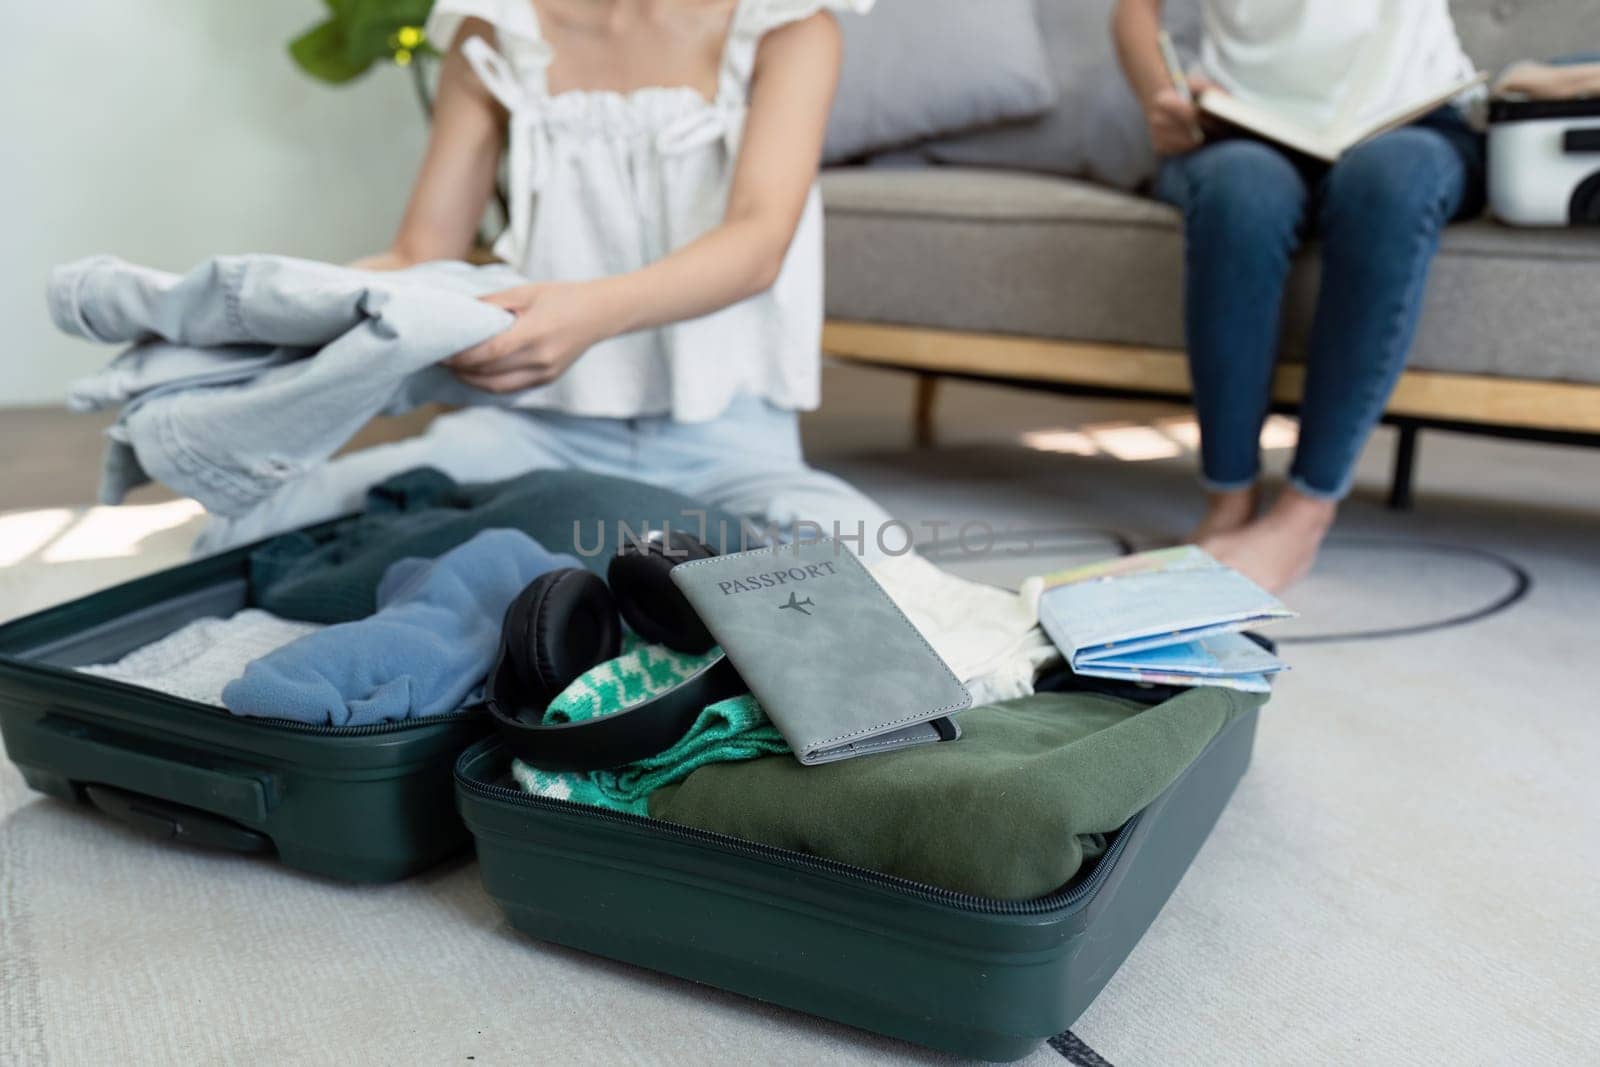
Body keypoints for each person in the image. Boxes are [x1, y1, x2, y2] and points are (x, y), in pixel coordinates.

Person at [197, 0, 892, 557]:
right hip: (538, 430)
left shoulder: (789, 26)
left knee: (872, 574)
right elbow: (419, 252)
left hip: (730, 442)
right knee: (240, 529)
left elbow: (757, 242)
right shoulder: (496, 31)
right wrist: (279, 312)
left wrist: (589, 313)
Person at [1112, 0, 1486, 591]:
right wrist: (1165, 95)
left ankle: (1302, 516)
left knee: (1387, 183)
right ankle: (1228, 500)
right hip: (1241, 122)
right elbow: (1136, 10)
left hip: (1413, 122)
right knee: (1242, 192)